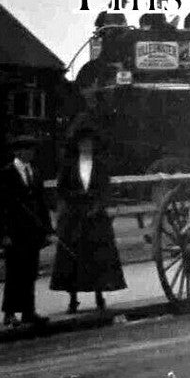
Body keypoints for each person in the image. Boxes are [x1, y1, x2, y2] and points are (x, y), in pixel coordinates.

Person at [49, 133, 127, 314]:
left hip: (95, 216)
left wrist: (97, 206)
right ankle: (73, 299)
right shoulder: (69, 166)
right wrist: (74, 200)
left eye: (89, 144)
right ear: (77, 146)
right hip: (74, 215)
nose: (86, 147)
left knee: (97, 256)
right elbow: (61, 189)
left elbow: (105, 190)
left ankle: (99, 295)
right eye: (83, 144)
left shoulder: (100, 166)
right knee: (72, 257)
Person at [0, 138, 54, 327]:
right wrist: (3, 233)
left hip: (32, 231)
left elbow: (41, 204)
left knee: (30, 272)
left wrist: (47, 229)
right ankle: (9, 313)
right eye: (26, 149)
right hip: (14, 231)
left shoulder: (35, 172)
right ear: (17, 152)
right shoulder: (6, 173)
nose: (30, 153)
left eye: (32, 149)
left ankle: (29, 311)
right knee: (14, 272)